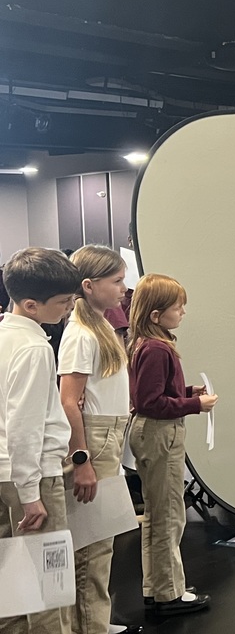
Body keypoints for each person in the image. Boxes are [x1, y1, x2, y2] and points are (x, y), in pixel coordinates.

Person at [58, 246, 139, 634]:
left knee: (101, 538)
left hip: (108, 434)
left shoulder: (102, 327)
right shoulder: (81, 334)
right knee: (93, 541)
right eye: (117, 281)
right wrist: (82, 459)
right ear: (89, 286)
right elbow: (69, 401)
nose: (124, 288)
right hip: (96, 437)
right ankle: (90, 624)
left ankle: (93, 620)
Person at [0, 248, 79, 634]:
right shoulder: (34, 347)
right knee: (48, 586)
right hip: (33, 477)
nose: (67, 309)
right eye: (64, 302)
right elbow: (25, 424)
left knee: (10, 585)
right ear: (31, 305)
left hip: (7, 473)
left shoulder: (4, 335)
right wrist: (31, 491)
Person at [128, 273, 217, 615]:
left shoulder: (147, 344)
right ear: (156, 314)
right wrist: (196, 404)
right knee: (168, 515)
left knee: (158, 514)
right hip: (160, 433)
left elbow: (152, 394)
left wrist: (185, 393)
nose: (182, 312)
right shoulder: (156, 348)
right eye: (177, 307)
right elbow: (151, 402)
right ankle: (168, 594)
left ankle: (159, 586)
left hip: (152, 432)